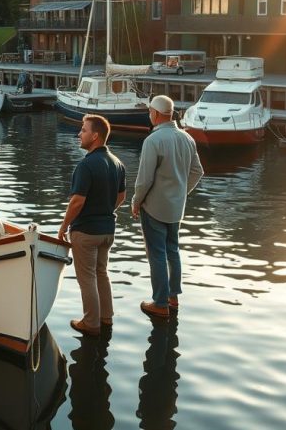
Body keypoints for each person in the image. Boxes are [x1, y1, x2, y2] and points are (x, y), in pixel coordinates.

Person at [132, 95, 204, 318]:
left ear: (155, 113)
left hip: (154, 206)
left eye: (149, 112)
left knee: (157, 254)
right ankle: (173, 298)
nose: (148, 115)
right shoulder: (187, 138)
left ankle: (160, 303)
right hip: (176, 207)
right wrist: (182, 192)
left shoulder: (153, 141)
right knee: (173, 251)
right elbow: (197, 171)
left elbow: (144, 180)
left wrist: (136, 202)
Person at [58, 114, 126, 336]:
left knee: (86, 277)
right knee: (101, 273)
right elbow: (122, 196)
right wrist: (105, 210)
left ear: (95, 135)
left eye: (83, 130)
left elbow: (77, 201)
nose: (79, 134)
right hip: (107, 230)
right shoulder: (117, 163)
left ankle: (91, 323)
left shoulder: (86, 165)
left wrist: (63, 226)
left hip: (86, 231)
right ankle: (106, 318)